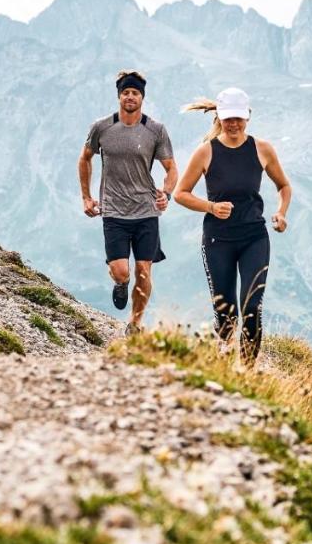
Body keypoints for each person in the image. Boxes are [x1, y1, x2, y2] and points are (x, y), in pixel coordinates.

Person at [174, 87, 291, 365]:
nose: (234, 124)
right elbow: (180, 193)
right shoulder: (206, 152)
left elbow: (284, 186)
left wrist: (281, 213)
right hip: (218, 241)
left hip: (254, 238)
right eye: (228, 118)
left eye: (239, 118)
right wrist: (211, 207)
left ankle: (247, 373)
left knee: (251, 307)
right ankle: (222, 365)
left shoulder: (262, 149)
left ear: (248, 116)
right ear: (219, 117)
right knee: (226, 314)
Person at [78, 70, 177, 334]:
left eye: (135, 93)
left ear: (142, 97)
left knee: (144, 271)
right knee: (122, 271)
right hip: (113, 210)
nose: (130, 97)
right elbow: (85, 159)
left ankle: (135, 323)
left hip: (146, 211)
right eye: (125, 93)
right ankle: (121, 284)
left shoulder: (155, 130)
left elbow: (171, 169)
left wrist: (166, 195)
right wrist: (87, 197)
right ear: (119, 96)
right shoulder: (102, 127)